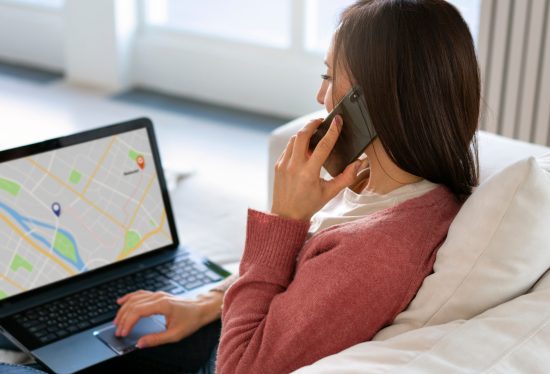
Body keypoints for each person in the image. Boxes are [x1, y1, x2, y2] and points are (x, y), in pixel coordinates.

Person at [0, 0, 480, 372]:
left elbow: (241, 368)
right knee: (31, 317)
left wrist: (284, 221)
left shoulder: (374, 256)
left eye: (330, 78)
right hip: (220, 324)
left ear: (368, 102)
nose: (318, 96)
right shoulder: (410, 192)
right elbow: (295, 293)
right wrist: (206, 302)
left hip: (225, 357)